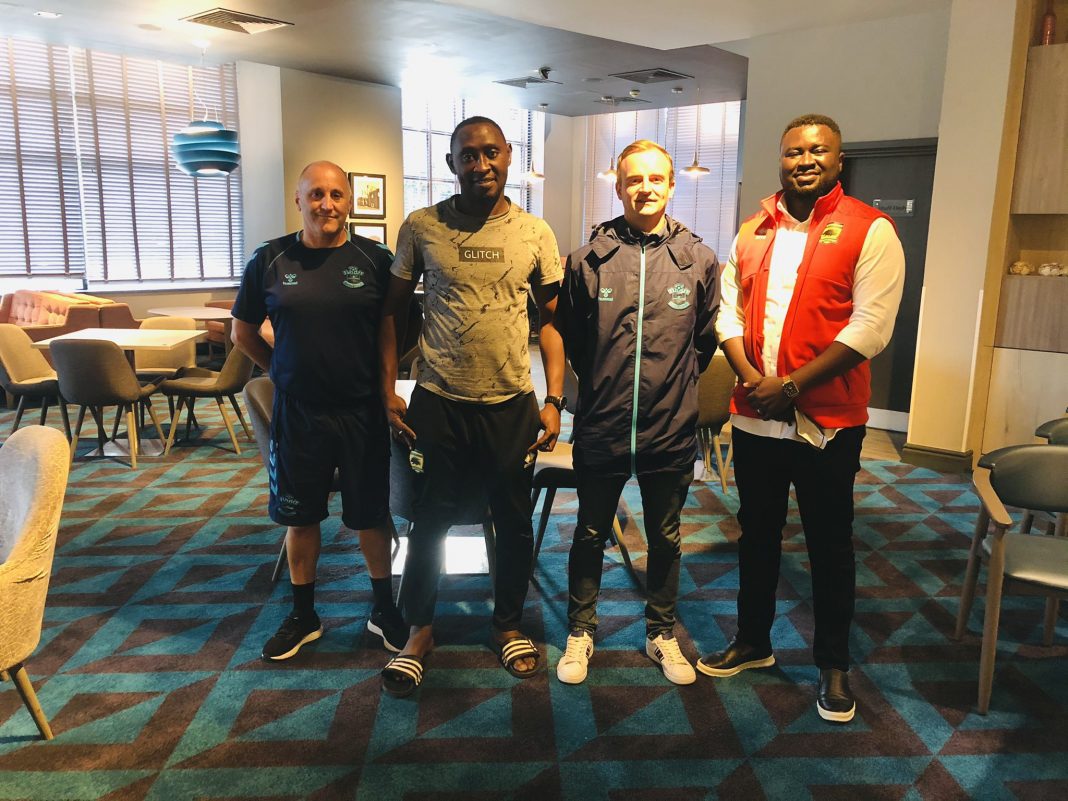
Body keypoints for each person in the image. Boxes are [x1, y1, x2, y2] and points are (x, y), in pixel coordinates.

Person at [697, 115, 905, 723]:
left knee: (829, 543)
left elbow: (871, 327)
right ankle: (753, 641)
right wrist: (751, 380)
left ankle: (833, 664)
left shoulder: (870, 229)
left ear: (838, 160)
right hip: (756, 416)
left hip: (827, 421)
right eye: (793, 151)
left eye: (818, 150)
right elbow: (729, 315)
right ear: (781, 158)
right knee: (756, 535)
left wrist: (791, 386)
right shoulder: (753, 230)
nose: (805, 159)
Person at [377, 116, 566, 697]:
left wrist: (554, 399)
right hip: (438, 401)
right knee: (428, 521)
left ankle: (507, 625)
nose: (480, 165)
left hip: (511, 404)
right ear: (451, 163)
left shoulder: (535, 232)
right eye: (468, 155)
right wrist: (387, 387)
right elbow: (392, 313)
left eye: (490, 153)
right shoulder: (421, 226)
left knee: (512, 522)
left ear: (508, 155)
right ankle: (419, 631)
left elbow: (551, 323)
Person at [555, 140, 720, 686]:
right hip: (602, 424)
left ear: (671, 185)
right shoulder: (588, 260)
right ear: (619, 187)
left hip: (668, 428)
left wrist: (671, 387)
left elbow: (703, 342)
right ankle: (581, 630)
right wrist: (605, 384)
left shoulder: (698, 259)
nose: (644, 188)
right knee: (589, 533)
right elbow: (573, 339)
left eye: (655, 179)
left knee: (666, 537)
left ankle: (660, 632)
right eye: (633, 180)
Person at [231, 160, 406, 661]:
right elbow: (243, 332)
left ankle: (383, 608)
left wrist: (387, 389)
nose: (326, 205)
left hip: (361, 412)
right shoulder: (270, 259)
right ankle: (304, 615)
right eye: (316, 195)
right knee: (301, 516)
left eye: (336, 195)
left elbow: (389, 331)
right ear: (299, 200)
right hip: (299, 415)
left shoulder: (375, 259)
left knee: (371, 516)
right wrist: (280, 370)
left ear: (348, 202)